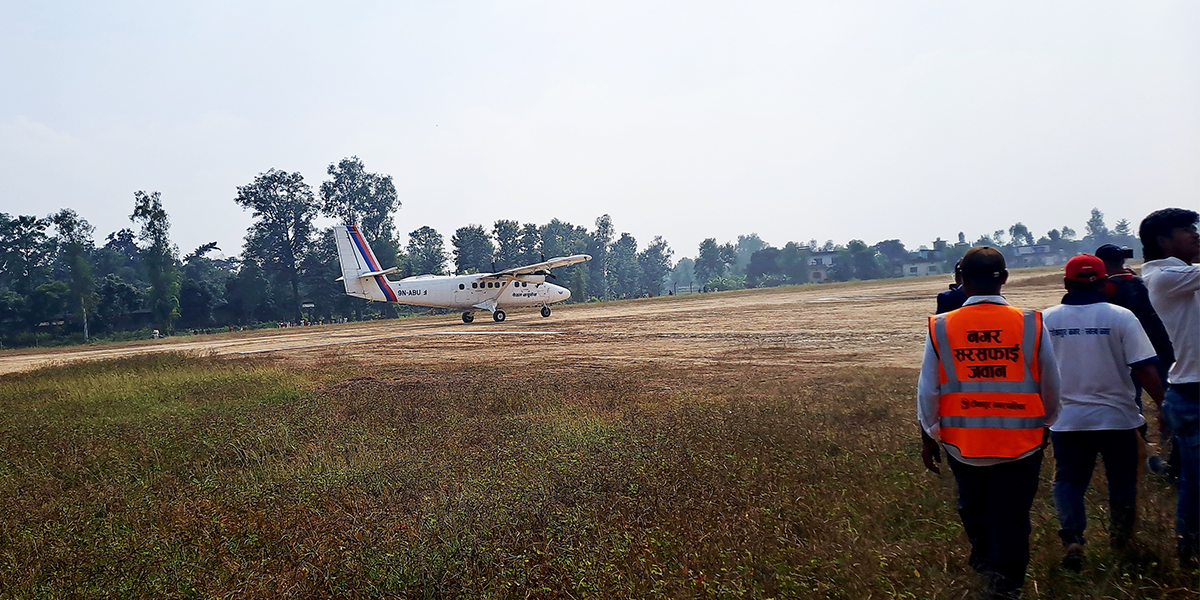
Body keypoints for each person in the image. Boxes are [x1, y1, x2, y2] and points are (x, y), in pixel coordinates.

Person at [918, 246, 1061, 598]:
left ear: (961, 281)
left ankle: (986, 562)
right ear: (1005, 278)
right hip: (1022, 441)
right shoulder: (1031, 323)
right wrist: (1047, 423)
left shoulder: (941, 326)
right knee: (1012, 514)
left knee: (973, 505)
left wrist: (929, 434)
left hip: (963, 442)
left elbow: (928, 388)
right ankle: (1007, 583)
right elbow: (1052, 383)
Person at [1042, 254, 1164, 571]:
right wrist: (1164, 405)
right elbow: (1145, 369)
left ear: (1066, 283)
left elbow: (1032, 373)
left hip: (1067, 422)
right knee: (1122, 484)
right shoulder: (1121, 317)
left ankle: (1072, 540)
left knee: (1068, 483)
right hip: (1119, 419)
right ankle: (1121, 542)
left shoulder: (1045, 320)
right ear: (1105, 283)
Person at [1139, 207, 1200, 568]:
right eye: (1185, 230)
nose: (1195, 234)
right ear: (1163, 242)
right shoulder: (1163, 277)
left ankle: (1188, 553)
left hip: (1187, 389)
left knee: (1192, 486)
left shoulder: (1185, 275)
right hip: (1193, 393)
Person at [1096, 243, 1179, 478]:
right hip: (1158, 350)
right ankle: (1171, 444)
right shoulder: (1139, 282)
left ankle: (1137, 447)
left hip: (1124, 354)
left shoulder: (1108, 287)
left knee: (1132, 403)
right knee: (1166, 399)